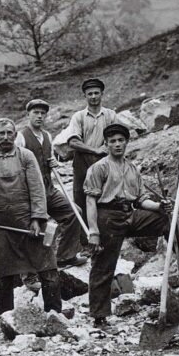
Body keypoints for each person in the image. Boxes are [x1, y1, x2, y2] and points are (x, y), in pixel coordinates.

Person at [85, 123, 179, 327]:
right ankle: (99, 316)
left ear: (126, 143)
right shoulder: (99, 168)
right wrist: (94, 232)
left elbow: (141, 200)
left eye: (120, 141)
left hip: (130, 213)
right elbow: (90, 201)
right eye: (112, 141)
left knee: (166, 218)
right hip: (107, 216)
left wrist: (159, 206)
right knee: (103, 265)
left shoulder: (132, 168)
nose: (117, 145)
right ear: (106, 144)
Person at [0, 118, 62, 316]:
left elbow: (38, 189)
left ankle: (54, 315)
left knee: (47, 267)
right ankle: (6, 318)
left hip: (27, 220)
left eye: (9, 133)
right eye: (1, 134)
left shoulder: (26, 156)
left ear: (15, 136)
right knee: (4, 273)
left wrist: (37, 218)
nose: (6, 137)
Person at [16, 98, 86, 268]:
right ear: (28, 115)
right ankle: (29, 275)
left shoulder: (47, 136)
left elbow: (50, 159)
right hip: (30, 193)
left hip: (49, 189)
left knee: (73, 212)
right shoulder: (20, 137)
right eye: (36, 113)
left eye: (42, 113)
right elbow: (16, 166)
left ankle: (65, 256)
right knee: (33, 229)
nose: (39, 116)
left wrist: (53, 163)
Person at [64, 78, 118, 238]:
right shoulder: (79, 116)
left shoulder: (110, 115)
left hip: (103, 162)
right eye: (90, 94)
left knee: (104, 198)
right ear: (85, 96)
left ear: (102, 94)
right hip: (81, 163)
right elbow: (73, 141)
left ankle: (105, 236)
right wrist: (95, 150)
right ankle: (85, 239)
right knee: (81, 199)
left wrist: (106, 150)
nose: (93, 96)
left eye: (96, 93)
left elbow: (116, 138)